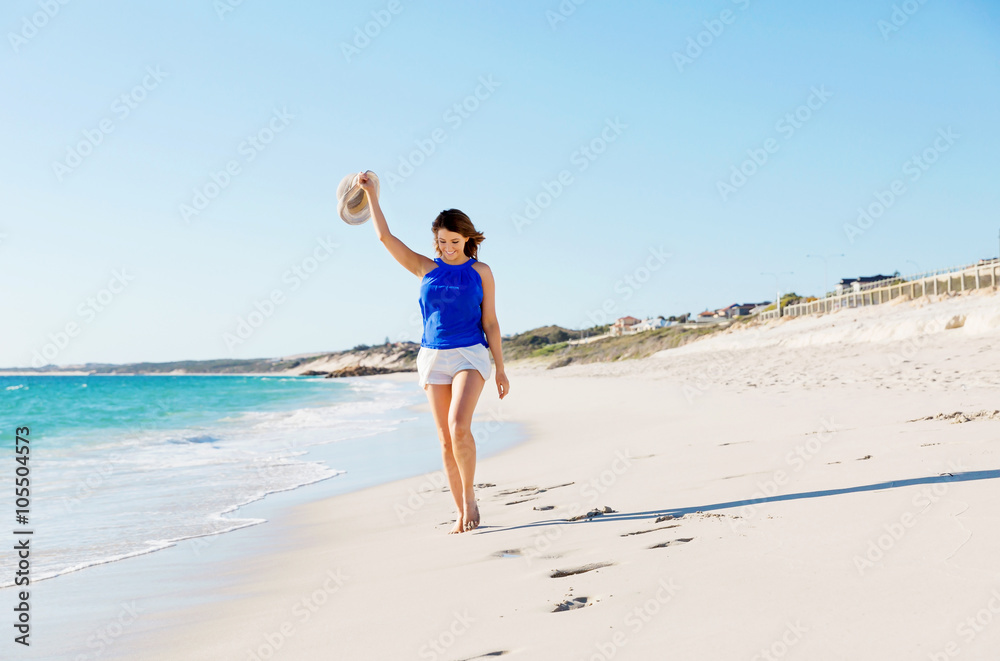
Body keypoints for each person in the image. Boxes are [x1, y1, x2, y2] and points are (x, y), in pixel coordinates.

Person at [358, 172, 510, 533]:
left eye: (454, 241)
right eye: (441, 241)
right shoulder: (425, 268)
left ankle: (471, 497)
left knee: (459, 427)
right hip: (433, 356)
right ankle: (459, 510)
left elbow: (490, 323)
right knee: (444, 439)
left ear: (467, 239)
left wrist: (500, 368)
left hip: (470, 354)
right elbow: (384, 237)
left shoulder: (481, 272)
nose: (447, 248)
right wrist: (372, 195)